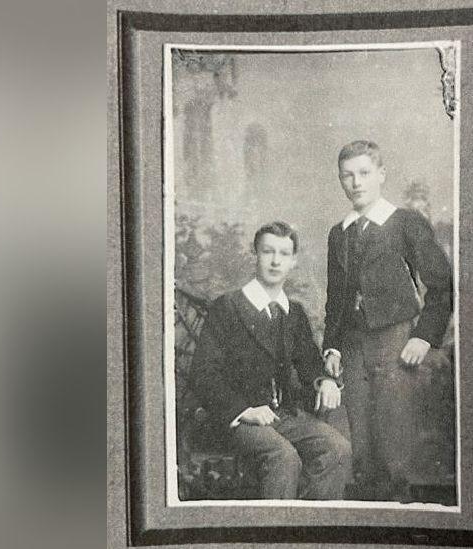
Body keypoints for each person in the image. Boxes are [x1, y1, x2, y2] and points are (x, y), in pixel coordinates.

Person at [322, 140, 454, 501]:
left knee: (395, 444)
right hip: (352, 347)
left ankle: (399, 516)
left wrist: (424, 336)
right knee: (361, 444)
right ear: (340, 181)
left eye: (364, 173)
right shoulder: (340, 233)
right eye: (347, 176)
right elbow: (336, 299)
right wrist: (331, 345)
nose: (356, 183)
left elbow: (442, 285)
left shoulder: (405, 223)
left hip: (395, 341)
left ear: (381, 174)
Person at [191, 221, 351, 500]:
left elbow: (309, 364)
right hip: (237, 419)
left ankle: (308, 532)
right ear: (256, 255)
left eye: (284, 254)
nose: (276, 261)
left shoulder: (294, 313)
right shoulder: (228, 307)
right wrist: (244, 410)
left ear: (293, 261)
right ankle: (279, 535)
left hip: (282, 415)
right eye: (268, 252)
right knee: (283, 456)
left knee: (337, 448)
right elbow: (204, 374)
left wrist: (325, 381)